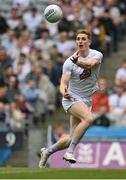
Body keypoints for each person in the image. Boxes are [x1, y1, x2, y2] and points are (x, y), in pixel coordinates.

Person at [39, 29, 103, 168]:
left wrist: (78, 63)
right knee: (89, 119)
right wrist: (63, 92)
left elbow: (90, 65)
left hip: (86, 99)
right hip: (72, 98)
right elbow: (63, 83)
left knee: (70, 137)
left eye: (83, 39)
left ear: (89, 41)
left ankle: (48, 151)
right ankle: (70, 152)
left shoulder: (97, 55)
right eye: (78, 39)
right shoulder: (69, 62)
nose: (80, 41)